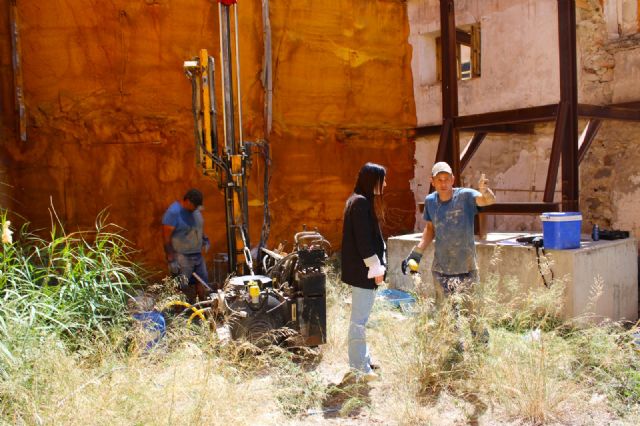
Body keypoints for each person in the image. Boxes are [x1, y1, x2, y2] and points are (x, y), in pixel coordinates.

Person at [402, 162, 495, 341]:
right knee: (447, 315)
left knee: (473, 312)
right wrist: (417, 253)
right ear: (433, 181)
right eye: (439, 180)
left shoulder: (466, 196)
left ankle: (481, 348)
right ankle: (454, 350)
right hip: (441, 269)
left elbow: (487, 201)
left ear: (453, 179)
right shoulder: (430, 201)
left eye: (447, 179)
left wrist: (485, 190)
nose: (444, 183)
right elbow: (430, 229)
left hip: (466, 267)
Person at [341, 162, 387, 382]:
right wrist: (376, 268)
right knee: (359, 321)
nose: (385, 184)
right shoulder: (360, 203)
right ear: (372, 180)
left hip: (363, 271)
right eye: (382, 179)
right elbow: (363, 242)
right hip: (363, 272)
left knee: (362, 318)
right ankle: (359, 367)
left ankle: (364, 360)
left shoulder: (359, 200)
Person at [162, 188, 211, 304]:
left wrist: (204, 238)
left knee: (202, 282)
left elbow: (196, 226)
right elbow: (166, 236)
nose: (196, 209)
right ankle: (178, 314)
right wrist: (171, 259)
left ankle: (203, 310)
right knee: (180, 286)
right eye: (194, 206)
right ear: (187, 201)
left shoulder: (194, 210)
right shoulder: (173, 213)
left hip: (197, 255)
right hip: (182, 256)